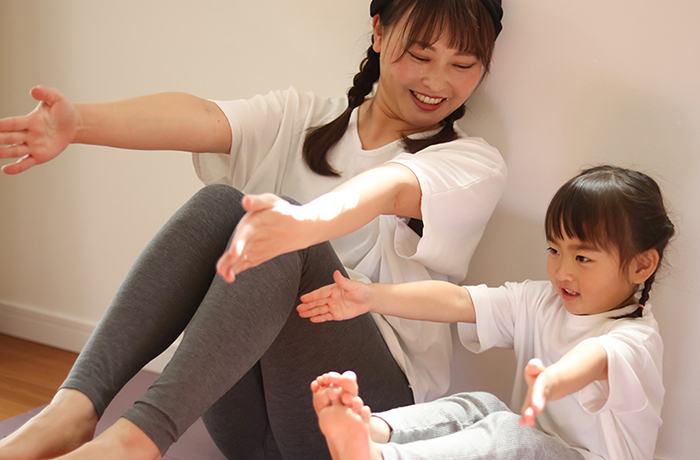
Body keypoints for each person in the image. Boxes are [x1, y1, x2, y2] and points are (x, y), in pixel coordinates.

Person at [0, 1, 507, 459]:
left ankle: (136, 441)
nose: (437, 81)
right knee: (221, 203)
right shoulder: (304, 118)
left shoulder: (471, 163)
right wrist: (79, 123)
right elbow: (203, 117)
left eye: (463, 65)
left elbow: (390, 188)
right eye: (420, 54)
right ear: (378, 32)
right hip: (247, 424)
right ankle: (72, 409)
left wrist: (302, 222)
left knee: (283, 234)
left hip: (361, 417)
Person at [300, 165, 675, 460]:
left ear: (641, 266)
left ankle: (381, 456)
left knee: (511, 431)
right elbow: (458, 301)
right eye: (554, 250)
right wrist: (370, 296)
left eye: (583, 258)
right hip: (534, 450)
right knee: (481, 404)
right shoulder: (541, 301)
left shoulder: (636, 339)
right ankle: (371, 430)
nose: (562, 271)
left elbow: (595, 359)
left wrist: (553, 380)